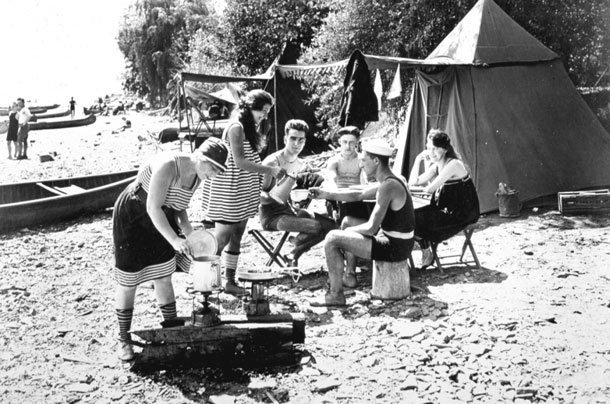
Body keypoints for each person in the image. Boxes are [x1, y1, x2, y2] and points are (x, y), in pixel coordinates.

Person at [112, 137, 228, 361]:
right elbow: (152, 207)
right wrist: (175, 240)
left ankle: (172, 330)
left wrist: (189, 232)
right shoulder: (168, 165)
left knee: (163, 275)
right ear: (199, 156)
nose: (213, 174)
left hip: (162, 218)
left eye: (218, 171)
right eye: (212, 168)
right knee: (129, 281)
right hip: (134, 215)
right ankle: (124, 338)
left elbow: (179, 207)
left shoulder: (198, 174)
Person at [309, 138, 415, 306]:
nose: (361, 164)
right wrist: (324, 194)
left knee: (331, 239)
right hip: (398, 240)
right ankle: (348, 275)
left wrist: (345, 236)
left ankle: (335, 295)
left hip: (395, 246)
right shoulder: (393, 179)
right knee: (347, 221)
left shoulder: (388, 187)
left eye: (364, 160)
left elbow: (371, 228)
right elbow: (358, 195)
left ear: (376, 161)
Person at [200, 89, 284, 295]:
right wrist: (269, 170)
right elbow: (239, 161)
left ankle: (229, 280)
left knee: (237, 234)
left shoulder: (250, 126)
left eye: (267, 112)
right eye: (262, 111)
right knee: (222, 238)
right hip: (229, 189)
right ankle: (204, 283)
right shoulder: (236, 126)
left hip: (243, 189)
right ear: (250, 107)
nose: (264, 116)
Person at [259, 119, 336, 266]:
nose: (297, 144)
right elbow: (258, 196)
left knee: (331, 224)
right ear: (285, 139)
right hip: (272, 216)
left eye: (301, 140)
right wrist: (276, 197)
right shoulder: (272, 162)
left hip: (290, 210)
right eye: (293, 138)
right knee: (315, 226)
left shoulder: (301, 164)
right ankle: (295, 247)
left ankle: (293, 252)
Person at [408, 129, 480, 268]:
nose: (431, 153)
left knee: (415, 218)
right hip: (448, 209)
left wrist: (415, 190)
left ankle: (426, 251)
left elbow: (430, 188)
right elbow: (413, 182)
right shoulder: (436, 165)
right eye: (428, 149)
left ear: (445, 149)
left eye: (435, 149)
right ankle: (426, 250)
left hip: (462, 213)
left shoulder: (453, 164)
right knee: (410, 216)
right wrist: (418, 160)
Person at [325, 126, 370, 224]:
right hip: (337, 197)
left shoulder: (361, 160)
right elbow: (332, 180)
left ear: (356, 143)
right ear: (340, 142)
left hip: (356, 198)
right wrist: (335, 200)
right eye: (345, 142)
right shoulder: (334, 161)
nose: (347, 146)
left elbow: (364, 179)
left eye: (351, 142)